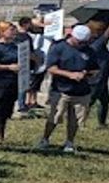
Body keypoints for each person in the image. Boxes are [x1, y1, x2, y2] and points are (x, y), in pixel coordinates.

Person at [38, 23, 100, 154]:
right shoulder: (58, 47)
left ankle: (69, 142)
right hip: (61, 89)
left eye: (84, 42)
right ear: (72, 36)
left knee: (75, 119)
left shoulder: (89, 50)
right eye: (79, 41)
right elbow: (51, 68)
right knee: (54, 116)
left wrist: (86, 73)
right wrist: (70, 75)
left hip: (81, 91)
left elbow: (95, 69)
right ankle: (45, 139)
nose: (81, 44)